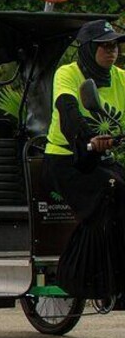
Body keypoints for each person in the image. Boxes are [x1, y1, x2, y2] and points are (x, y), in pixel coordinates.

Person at [43, 19, 125, 299]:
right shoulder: (68, 74)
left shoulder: (121, 78)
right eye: (104, 46)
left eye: (114, 45)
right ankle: (80, 275)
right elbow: (68, 111)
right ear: (89, 49)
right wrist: (88, 139)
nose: (111, 51)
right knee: (111, 189)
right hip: (67, 159)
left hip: (101, 158)